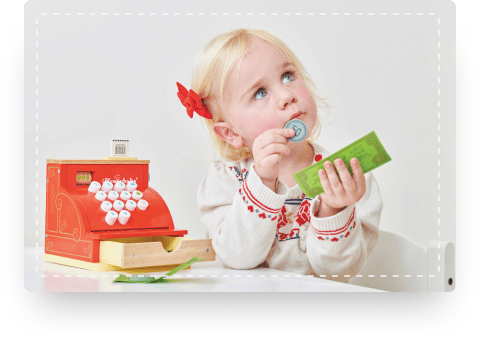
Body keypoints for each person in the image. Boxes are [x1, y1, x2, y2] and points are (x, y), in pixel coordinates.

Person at [176, 28, 383, 282]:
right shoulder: (226, 180)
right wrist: (262, 180)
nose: (287, 96)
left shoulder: (343, 175)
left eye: (287, 76)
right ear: (230, 133)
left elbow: (337, 273)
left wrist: (333, 208)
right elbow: (238, 257)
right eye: (260, 93)